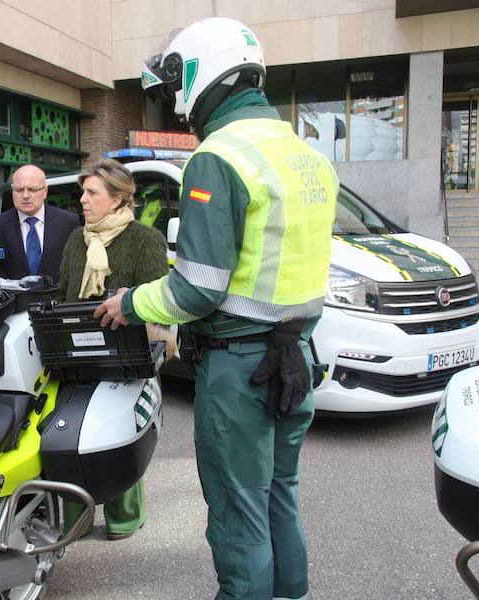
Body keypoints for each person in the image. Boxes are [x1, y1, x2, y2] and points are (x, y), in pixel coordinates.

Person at [95, 18, 339, 600]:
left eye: (178, 82)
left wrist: (128, 302)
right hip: (296, 358)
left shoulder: (218, 157)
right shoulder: (307, 156)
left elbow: (194, 290)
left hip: (241, 370)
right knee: (280, 494)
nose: (176, 103)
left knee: (239, 513)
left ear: (204, 73)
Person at [59, 158, 168, 541]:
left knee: (118, 435)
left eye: (92, 193)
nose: (83, 201)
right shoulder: (77, 239)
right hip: (75, 357)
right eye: (82, 193)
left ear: (119, 199)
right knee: (71, 437)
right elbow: (64, 294)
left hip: (126, 358)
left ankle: (124, 518)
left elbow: (160, 305)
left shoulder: (146, 240)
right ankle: (75, 518)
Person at [0, 164, 79, 282]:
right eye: (19, 190)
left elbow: (76, 268)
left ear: (45, 191)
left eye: (32, 189)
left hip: (58, 298)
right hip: (13, 299)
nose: (25, 195)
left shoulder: (68, 222)